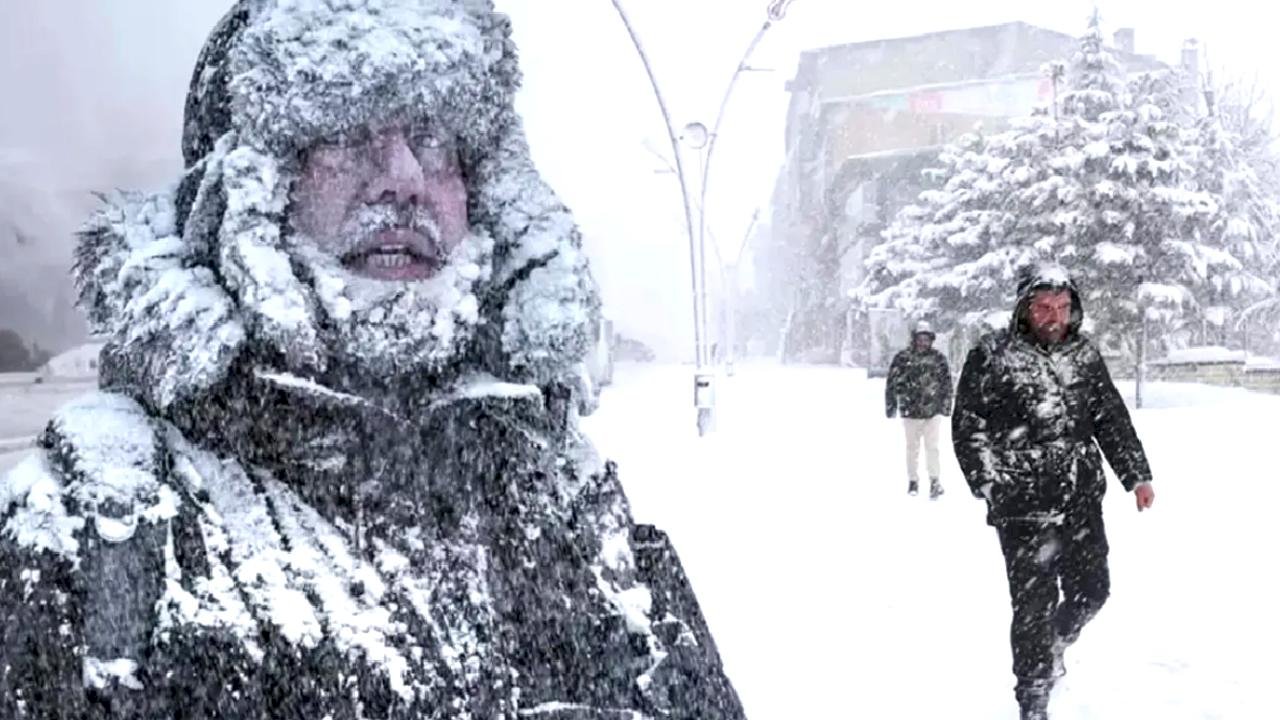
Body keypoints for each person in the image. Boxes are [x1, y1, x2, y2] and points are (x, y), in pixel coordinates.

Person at [0, 2, 746, 718]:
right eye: (346, 132)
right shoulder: (99, 525)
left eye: (434, 138)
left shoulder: (555, 482)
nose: (403, 176)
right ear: (243, 193)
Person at [951, 264, 1156, 720]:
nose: (1054, 316)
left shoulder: (1084, 354)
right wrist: (990, 483)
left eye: (1062, 308)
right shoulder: (993, 355)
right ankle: (1034, 694)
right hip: (1023, 505)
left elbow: (1110, 418)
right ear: (1025, 309)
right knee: (1032, 606)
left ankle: (1058, 640)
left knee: (1093, 590)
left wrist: (1137, 475)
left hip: (1081, 497)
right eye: (1044, 307)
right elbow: (968, 426)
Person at [885, 320, 952, 498]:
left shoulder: (938, 359)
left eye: (926, 339)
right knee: (912, 448)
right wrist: (891, 405)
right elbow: (891, 382)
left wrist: (946, 405)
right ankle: (913, 481)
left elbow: (946, 383)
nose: (923, 342)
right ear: (914, 339)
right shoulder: (902, 358)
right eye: (920, 339)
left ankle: (935, 481)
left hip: (933, 410)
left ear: (931, 340)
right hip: (910, 411)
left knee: (933, 448)